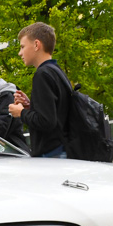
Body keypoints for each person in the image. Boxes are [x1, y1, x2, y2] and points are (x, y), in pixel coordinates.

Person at [8, 22, 70, 158]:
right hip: (63, 149)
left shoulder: (42, 74)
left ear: (36, 45)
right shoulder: (56, 71)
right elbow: (55, 113)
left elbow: (47, 122)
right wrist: (30, 106)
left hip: (52, 154)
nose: (20, 53)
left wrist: (21, 112)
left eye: (22, 47)